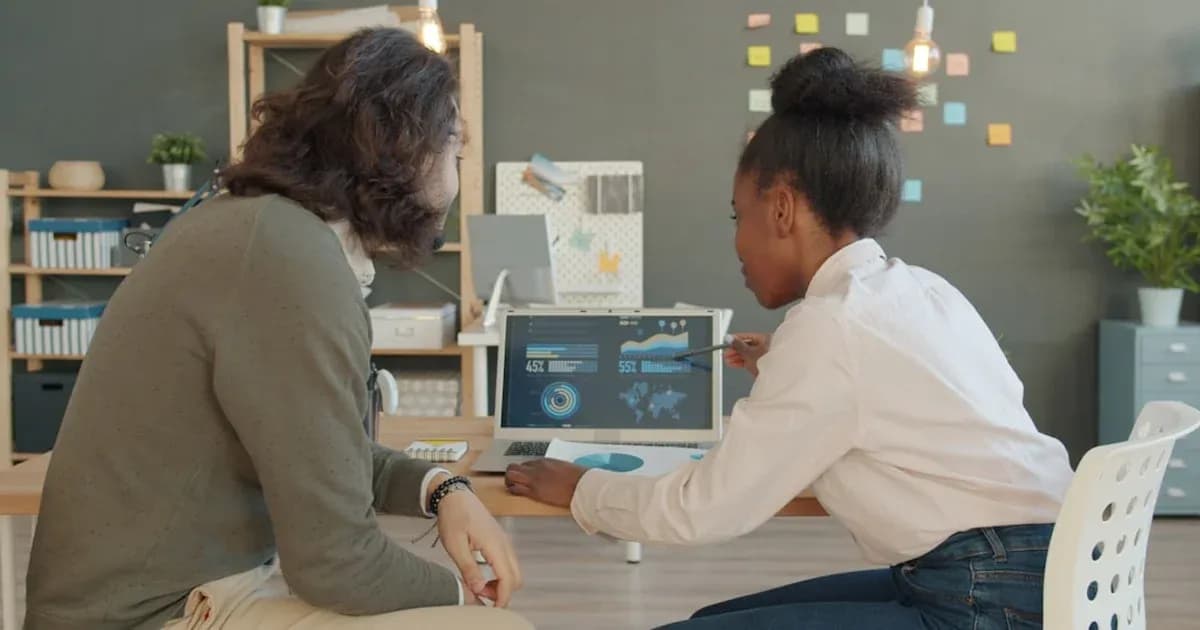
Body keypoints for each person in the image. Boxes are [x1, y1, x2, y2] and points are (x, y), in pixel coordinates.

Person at [505, 47, 1073, 629]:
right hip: (1040, 567)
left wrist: (582, 488)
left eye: (737, 216)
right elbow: (919, 396)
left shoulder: (831, 326)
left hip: (983, 595)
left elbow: (705, 510)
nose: (737, 242)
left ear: (781, 209)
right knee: (713, 617)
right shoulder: (918, 290)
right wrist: (785, 360)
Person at [26, 29, 531, 630]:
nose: (456, 172)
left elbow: (318, 451)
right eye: (457, 151)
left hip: (174, 593)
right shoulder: (290, 260)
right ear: (409, 149)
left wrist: (442, 487)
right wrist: (461, 593)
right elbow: (339, 565)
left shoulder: (256, 225)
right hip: (159, 612)